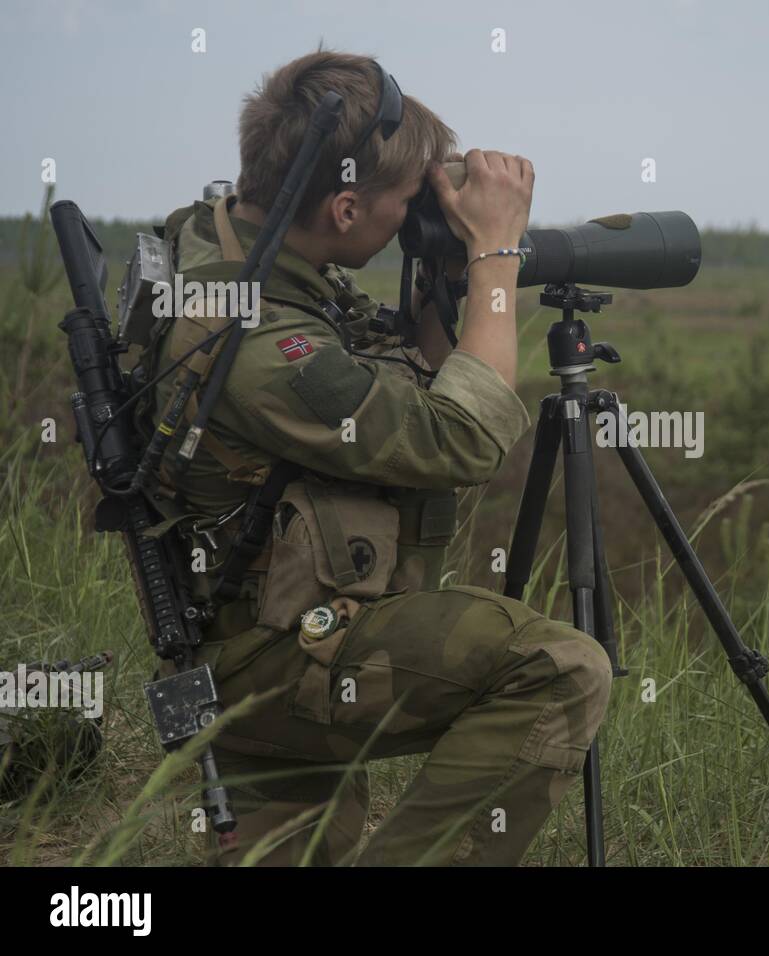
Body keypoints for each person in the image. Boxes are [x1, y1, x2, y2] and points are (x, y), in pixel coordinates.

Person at [142, 49, 612, 866]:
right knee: (561, 667)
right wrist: (497, 257)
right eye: (406, 205)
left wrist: (440, 274)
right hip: (278, 659)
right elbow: (458, 437)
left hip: (259, 621)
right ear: (349, 206)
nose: (413, 219)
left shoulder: (237, 247)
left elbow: (384, 380)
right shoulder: (251, 339)